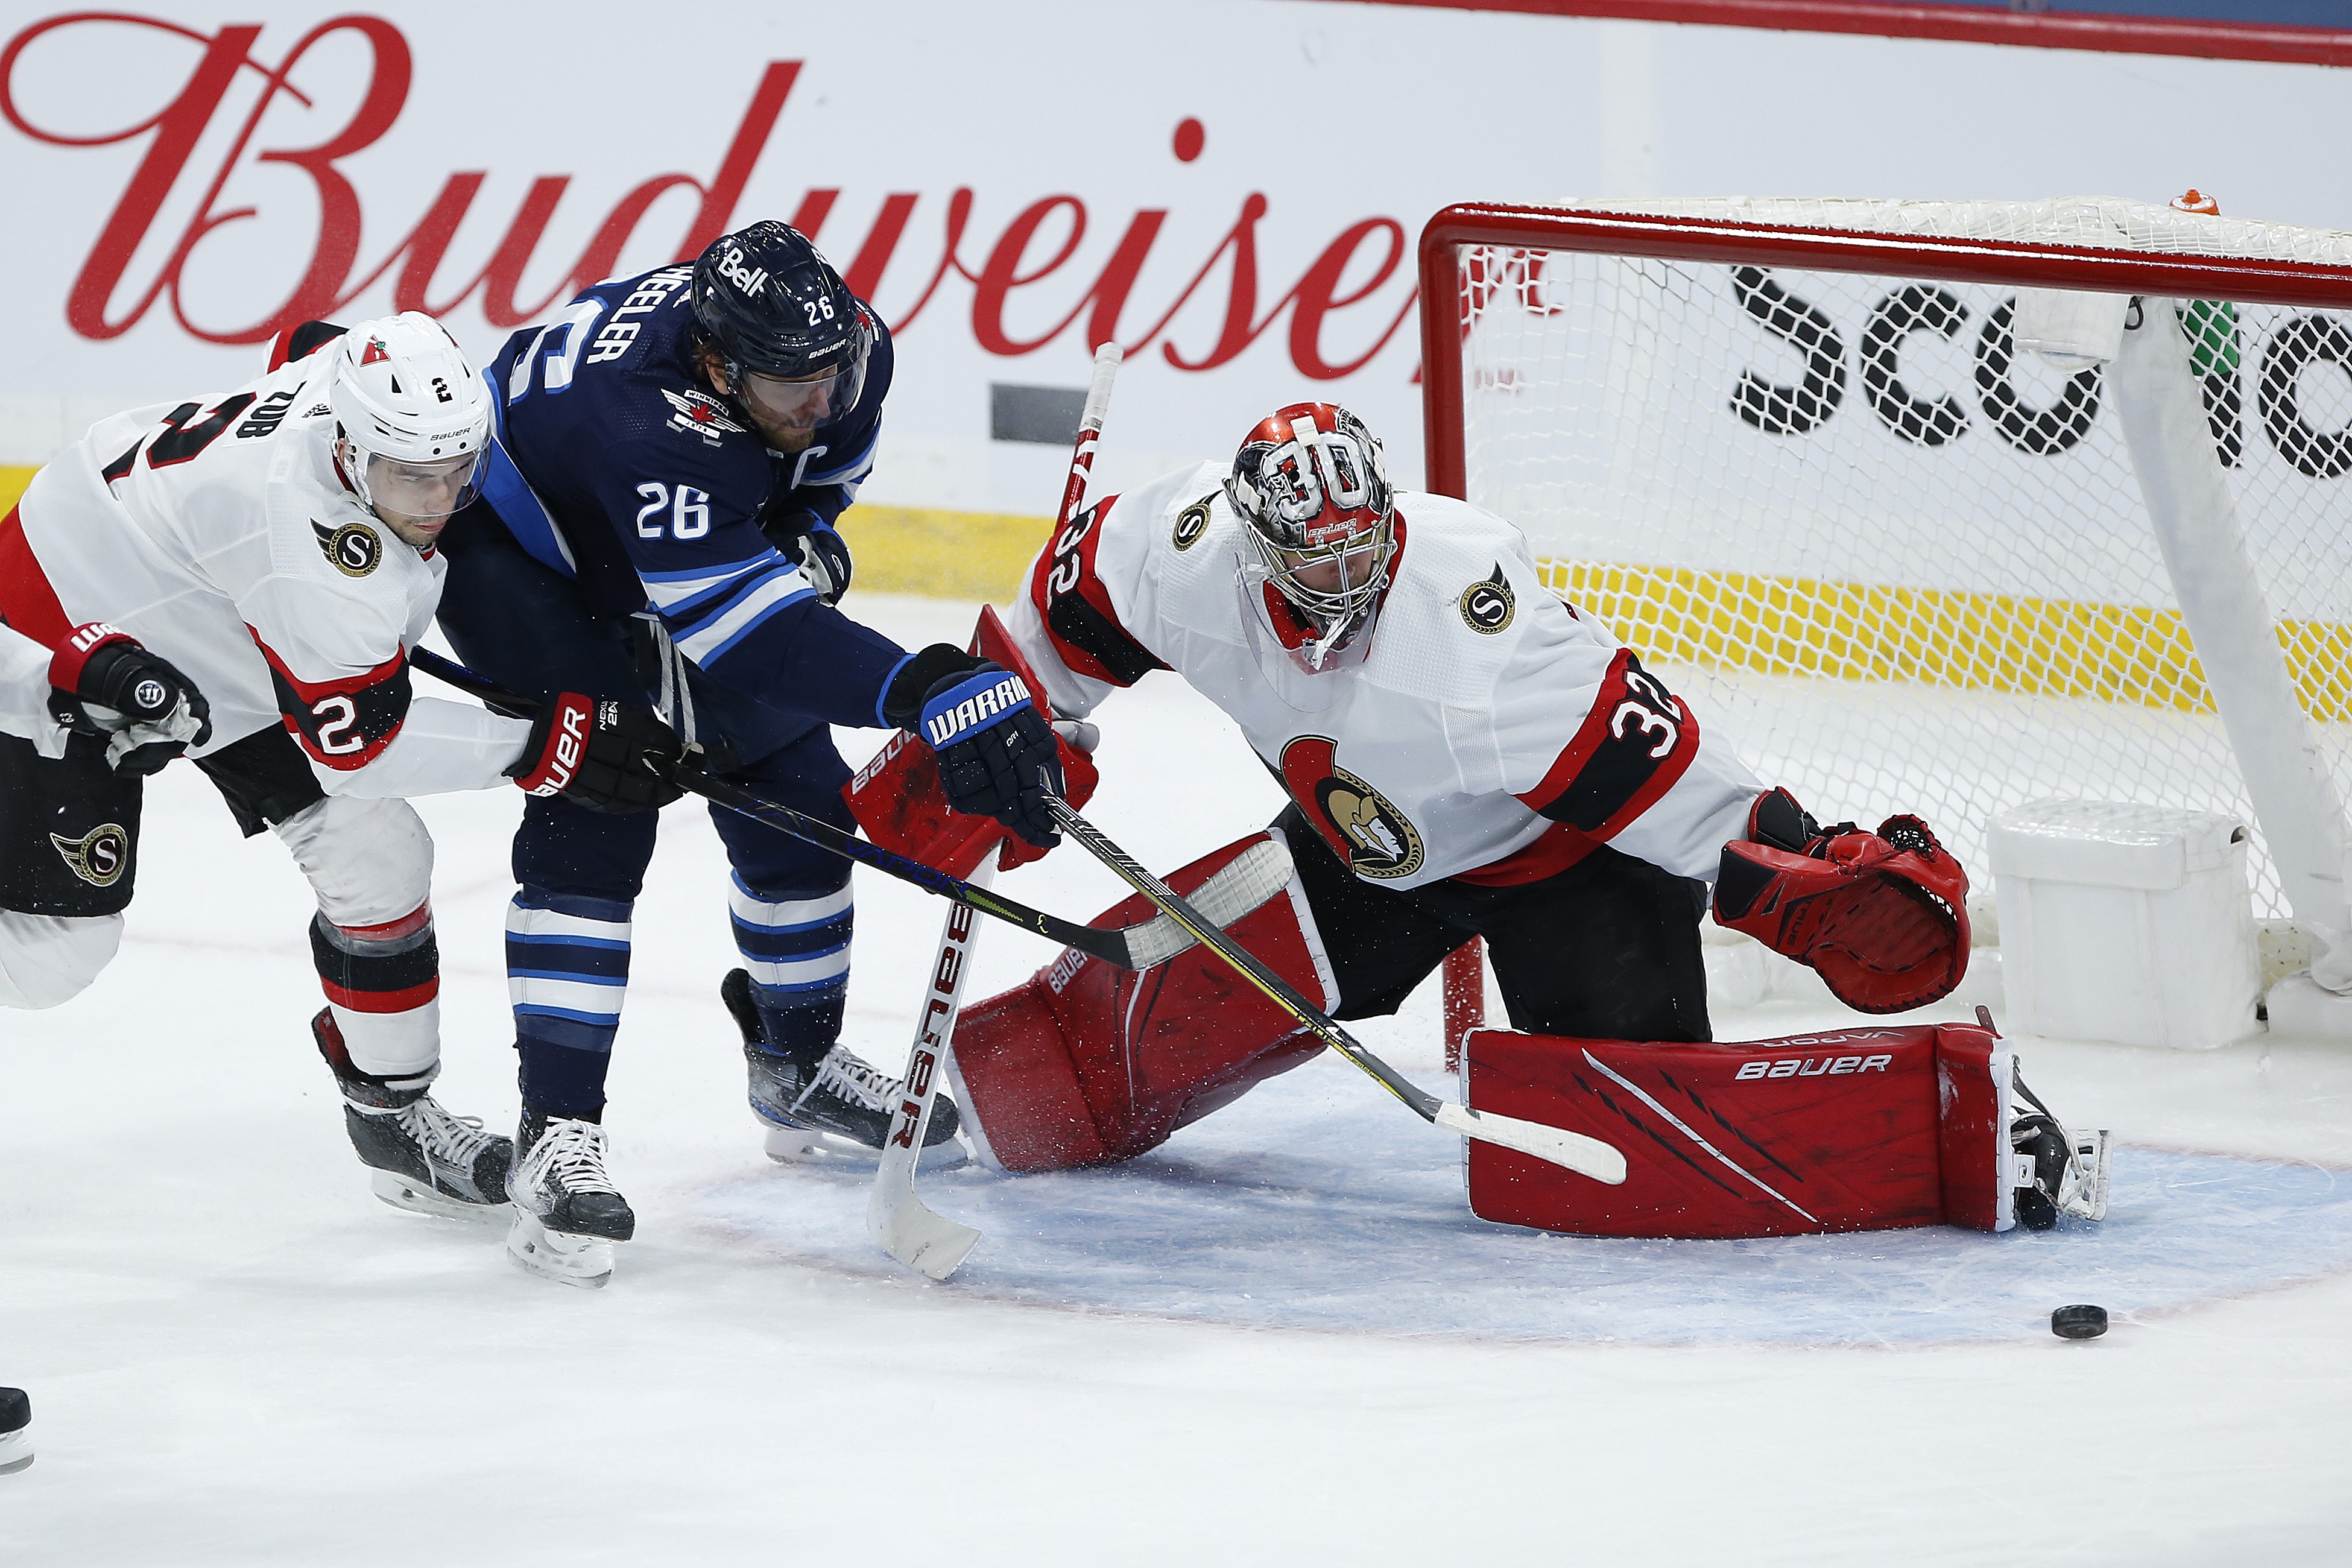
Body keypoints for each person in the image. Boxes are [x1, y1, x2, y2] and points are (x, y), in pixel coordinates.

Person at [937, 402, 2096, 1230]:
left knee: (1641, 1159)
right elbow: (1055, 635)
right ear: (1256, 544)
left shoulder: (1484, 651)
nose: (1348, 582)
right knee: (1111, 1039)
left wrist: (1796, 870)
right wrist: (1009, 718)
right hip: (1371, 856)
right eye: (1315, 558)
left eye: (1364, 548)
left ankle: (1966, 1117)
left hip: (1572, 874)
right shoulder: (1177, 550)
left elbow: (1677, 785)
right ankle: (955, 1112)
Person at [440, 219, 1062, 1286]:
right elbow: (749, 631)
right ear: (719, 366)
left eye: (831, 375)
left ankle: (797, 1062)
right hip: (519, 550)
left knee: (800, 794)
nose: (820, 400)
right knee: (602, 792)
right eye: (789, 388)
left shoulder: (838, 351)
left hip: (662, 515)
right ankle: (556, 1135)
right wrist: (920, 688)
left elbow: (813, 479)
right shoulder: (643, 423)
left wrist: (809, 526)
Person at [0, 312, 678, 1231]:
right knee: (55, 960)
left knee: (380, 856)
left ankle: (391, 1120)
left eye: (455, 469)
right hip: (55, 624)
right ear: (351, 454)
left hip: (203, 607)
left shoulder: (357, 397)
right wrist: (545, 747)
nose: (438, 497)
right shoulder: (310, 554)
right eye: (412, 476)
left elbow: (308, 339)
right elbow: (361, 748)